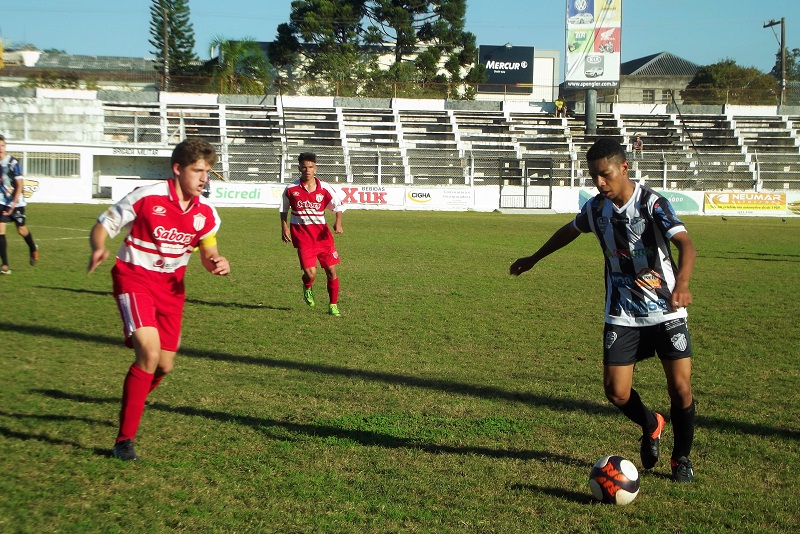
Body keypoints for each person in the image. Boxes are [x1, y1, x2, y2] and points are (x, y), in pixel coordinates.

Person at [509, 137, 697, 483]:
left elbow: (685, 244)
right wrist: (533, 259)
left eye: (605, 175)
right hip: (622, 313)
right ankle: (651, 422)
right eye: (594, 176)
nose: (599, 183)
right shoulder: (597, 210)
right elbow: (569, 231)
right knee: (616, 392)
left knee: (680, 389)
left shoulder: (652, 203)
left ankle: (681, 458)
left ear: (624, 168)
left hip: (667, 312)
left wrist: (681, 285)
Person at [88, 137, 230, 461]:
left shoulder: (207, 214)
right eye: (198, 171)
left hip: (171, 290)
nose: (204, 178)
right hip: (133, 278)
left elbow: (209, 252)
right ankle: (124, 441)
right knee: (149, 354)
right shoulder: (147, 197)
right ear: (178, 169)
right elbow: (104, 224)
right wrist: (98, 246)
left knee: (163, 365)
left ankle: (132, 401)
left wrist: (217, 263)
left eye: (207, 172)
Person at [280, 152, 344, 316]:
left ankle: (333, 305)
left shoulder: (324, 187)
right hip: (302, 236)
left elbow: (338, 205)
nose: (307, 170)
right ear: (299, 168)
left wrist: (338, 222)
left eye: (310, 167)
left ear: (315, 168)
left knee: (331, 270)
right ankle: (307, 286)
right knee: (310, 273)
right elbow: (283, 209)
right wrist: (284, 227)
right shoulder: (291, 189)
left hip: (322, 236)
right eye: (304, 167)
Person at [0, 135, 39, 273]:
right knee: (0, 230)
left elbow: (19, 185)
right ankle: (5, 265)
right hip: (1, 201)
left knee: (21, 230)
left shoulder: (13, 163)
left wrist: (13, 204)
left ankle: (33, 248)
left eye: (2, 145)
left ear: (5, 146)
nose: (0, 148)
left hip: (16, 202)